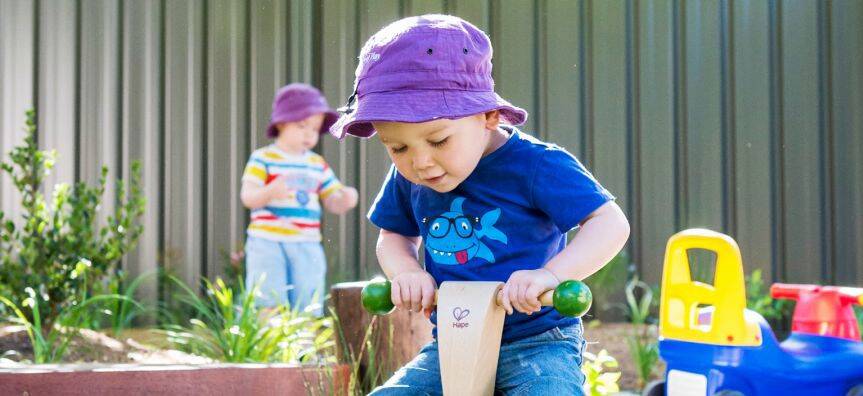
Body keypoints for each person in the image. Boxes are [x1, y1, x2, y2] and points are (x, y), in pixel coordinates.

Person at [330, 14, 631, 395]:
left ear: (488, 115)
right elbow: (393, 234)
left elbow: (609, 222)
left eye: (438, 140)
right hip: (453, 343)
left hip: (538, 340)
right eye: (398, 147)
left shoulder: (536, 165)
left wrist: (551, 276)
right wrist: (406, 271)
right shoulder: (411, 177)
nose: (420, 162)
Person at [241, 83, 358, 316]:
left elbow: (331, 199)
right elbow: (248, 197)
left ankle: (303, 348)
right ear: (282, 123)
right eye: (302, 126)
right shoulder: (263, 158)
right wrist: (269, 191)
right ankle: (270, 345)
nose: (309, 134)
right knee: (268, 295)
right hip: (267, 241)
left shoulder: (316, 164)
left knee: (308, 296)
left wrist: (346, 198)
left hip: (306, 242)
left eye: (314, 129)